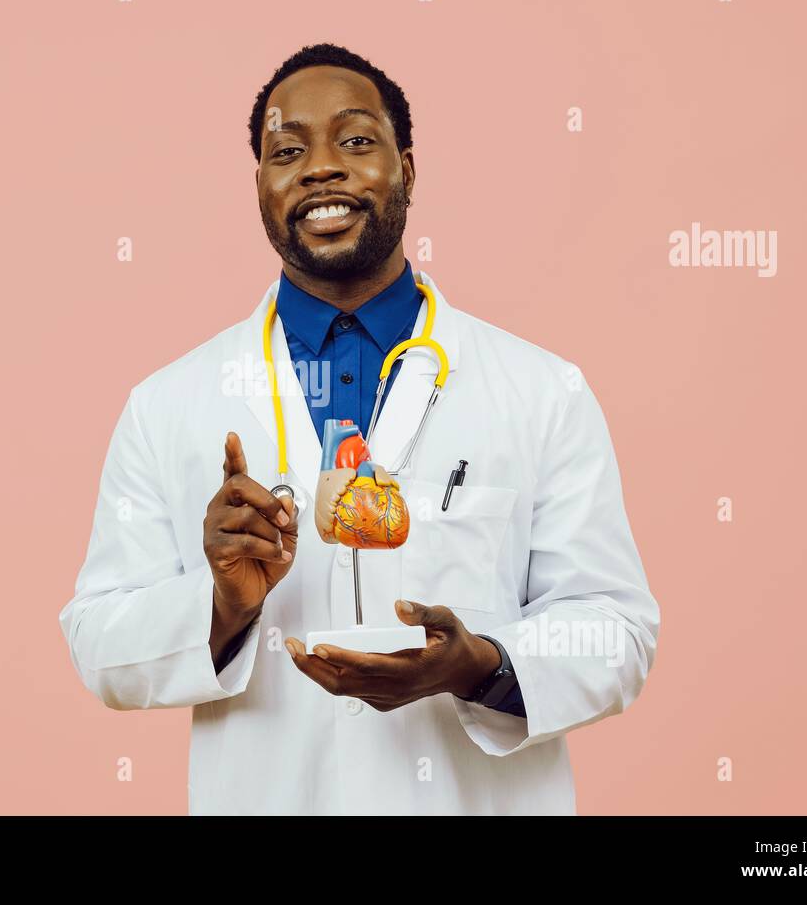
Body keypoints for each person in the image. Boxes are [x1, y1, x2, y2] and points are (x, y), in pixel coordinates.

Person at [59, 43, 659, 814]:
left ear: (407, 169)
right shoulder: (167, 403)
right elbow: (99, 642)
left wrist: (478, 666)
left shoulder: (542, 390)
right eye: (287, 150)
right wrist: (221, 606)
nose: (319, 168)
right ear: (261, 187)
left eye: (355, 140)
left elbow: (616, 630)